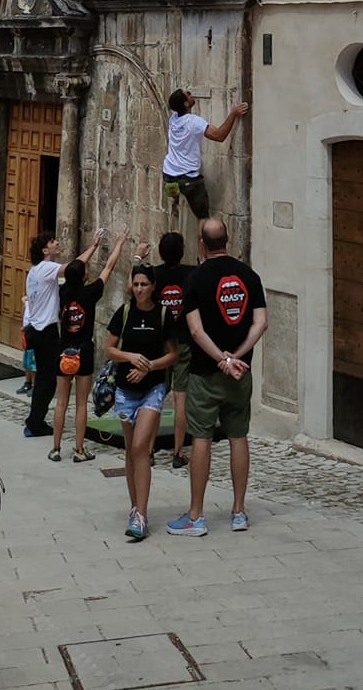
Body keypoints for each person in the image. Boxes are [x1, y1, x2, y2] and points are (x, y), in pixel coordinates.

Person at [167, 218, 267, 538]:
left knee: (201, 439)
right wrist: (237, 356)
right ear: (229, 238)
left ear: (201, 243)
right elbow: (260, 323)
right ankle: (238, 511)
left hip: (205, 373)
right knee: (239, 436)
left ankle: (196, 515)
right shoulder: (249, 276)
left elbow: (195, 330)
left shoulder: (196, 279)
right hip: (241, 373)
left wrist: (222, 360)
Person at [106, 262, 177, 542]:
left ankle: (142, 514)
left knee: (140, 447)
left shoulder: (162, 315)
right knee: (130, 451)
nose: (139, 290)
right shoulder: (124, 313)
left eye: (144, 285)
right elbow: (109, 348)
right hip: (125, 391)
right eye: (136, 285)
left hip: (153, 389)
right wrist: (130, 357)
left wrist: (150, 365)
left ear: (153, 286)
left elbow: (174, 355)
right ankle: (135, 507)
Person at [50, 229, 127, 464]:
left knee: (61, 402)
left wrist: (92, 248)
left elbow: (74, 267)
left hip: (63, 350)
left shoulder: (63, 292)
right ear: (83, 276)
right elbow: (109, 268)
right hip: (83, 350)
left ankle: (55, 448)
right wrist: (119, 243)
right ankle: (79, 448)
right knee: (81, 403)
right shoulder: (90, 293)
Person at [23, 227, 102, 438]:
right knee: (48, 380)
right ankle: (35, 422)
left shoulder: (34, 271)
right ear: (44, 250)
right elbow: (74, 268)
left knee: (44, 378)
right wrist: (93, 247)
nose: (56, 243)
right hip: (46, 331)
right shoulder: (47, 268)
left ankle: (34, 419)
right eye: (52, 241)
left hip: (36, 329)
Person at [162, 91, 248, 219]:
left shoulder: (173, 119)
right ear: (186, 104)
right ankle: (203, 234)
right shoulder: (194, 122)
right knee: (203, 220)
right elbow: (219, 136)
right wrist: (233, 114)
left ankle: (176, 200)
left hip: (169, 174)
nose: (191, 94)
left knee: (180, 194)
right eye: (188, 94)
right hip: (188, 178)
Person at [153, 230, 196, 468]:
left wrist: (139, 259)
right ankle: (178, 452)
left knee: (155, 397)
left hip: (160, 342)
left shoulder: (155, 275)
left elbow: (132, 287)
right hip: (183, 341)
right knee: (181, 399)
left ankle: (148, 448)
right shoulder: (190, 273)